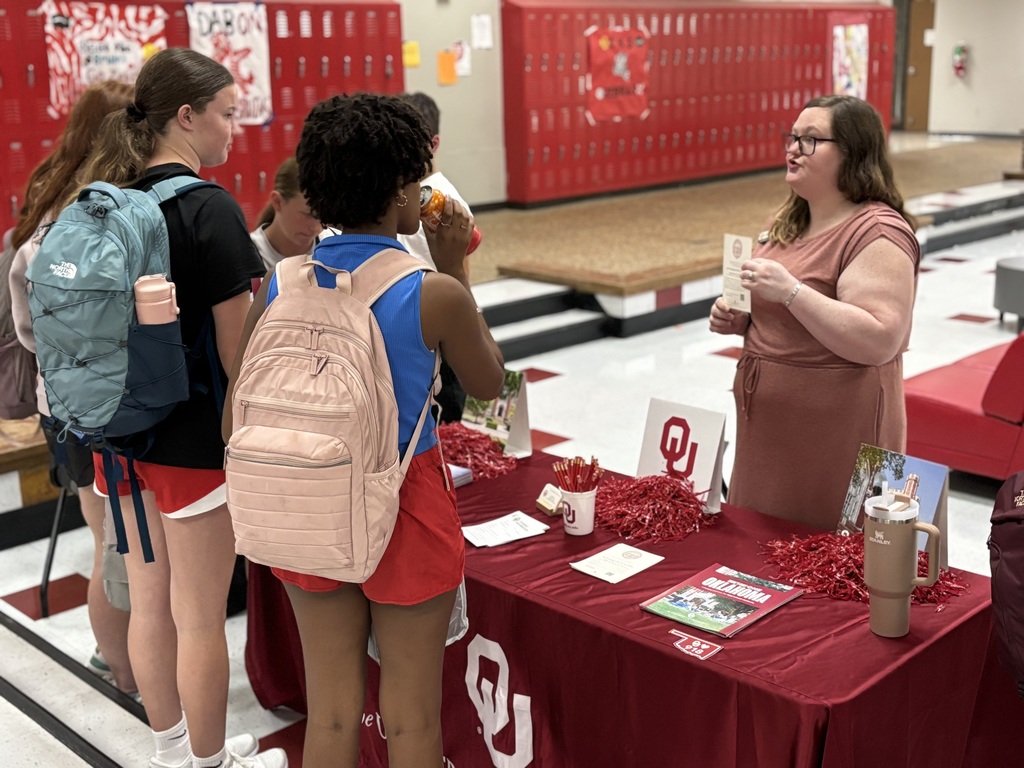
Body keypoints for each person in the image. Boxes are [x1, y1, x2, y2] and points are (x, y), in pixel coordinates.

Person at [228, 93, 504, 768]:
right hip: (405, 502)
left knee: (328, 716)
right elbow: (492, 385)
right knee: (409, 721)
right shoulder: (432, 292)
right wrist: (455, 267)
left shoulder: (282, 282)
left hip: (308, 496)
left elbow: (243, 390)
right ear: (405, 193)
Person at [72, 49, 285, 768]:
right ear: (186, 117)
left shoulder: (103, 196)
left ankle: (170, 749)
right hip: (192, 443)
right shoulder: (209, 208)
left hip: (117, 437)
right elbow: (239, 359)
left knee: (152, 601)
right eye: (227, 114)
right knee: (199, 618)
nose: (235, 130)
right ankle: (208, 760)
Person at [709, 94, 919, 530]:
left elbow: (880, 338)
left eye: (810, 140)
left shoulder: (877, 230)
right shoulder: (789, 220)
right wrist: (742, 319)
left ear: (852, 154)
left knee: (829, 564)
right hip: (769, 436)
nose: (792, 149)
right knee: (758, 547)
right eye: (792, 137)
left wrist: (791, 292)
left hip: (838, 436)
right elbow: (792, 319)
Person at [8, 80, 139, 698]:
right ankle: (123, 666)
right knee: (119, 544)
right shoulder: (89, 210)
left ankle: (118, 654)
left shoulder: (48, 191)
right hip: (95, 407)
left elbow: (29, 326)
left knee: (108, 538)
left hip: (60, 404)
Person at [397, 91, 474, 423]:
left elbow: (460, 276)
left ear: (434, 144)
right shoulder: (405, 197)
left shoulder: (442, 201)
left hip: (440, 345)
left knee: (447, 437)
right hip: (417, 341)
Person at [250, 156, 318, 270]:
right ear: (277, 202)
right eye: (308, 215)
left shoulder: (335, 244)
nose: (317, 227)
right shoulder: (246, 255)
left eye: (324, 216)